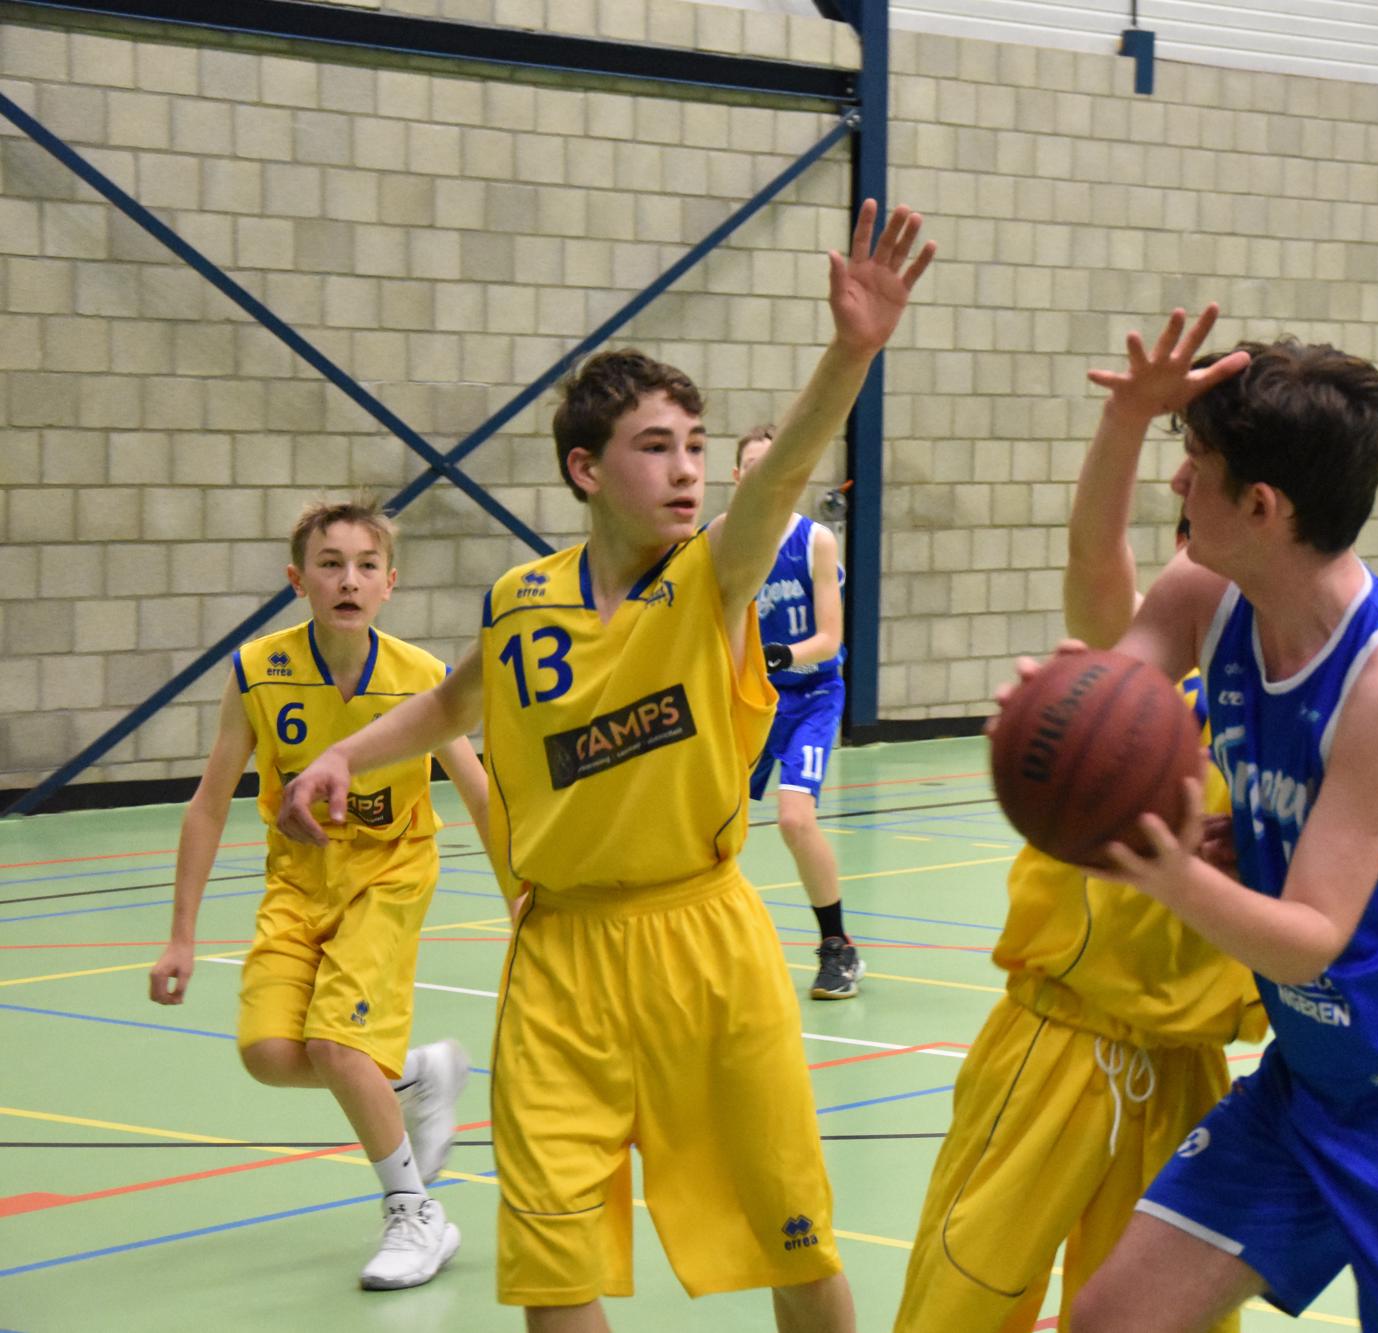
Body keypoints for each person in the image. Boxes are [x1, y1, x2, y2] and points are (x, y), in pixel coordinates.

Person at [275, 200, 934, 1333]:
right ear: (584, 467)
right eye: (656, 446)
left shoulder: (714, 577)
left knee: (793, 1237)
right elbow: (451, 704)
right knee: (553, 1263)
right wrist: (342, 750)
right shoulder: (520, 600)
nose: (687, 470)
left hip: (702, 945)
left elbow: (779, 483)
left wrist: (852, 351)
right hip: (560, 955)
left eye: (695, 446)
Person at [1035, 312, 1378, 1332]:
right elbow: (1107, 648)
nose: (1177, 483)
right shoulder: (1210, 595)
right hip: (1311, 1087)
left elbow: (1311, 935)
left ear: (1261, 504)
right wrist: (1124, 424)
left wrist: (1168, 869)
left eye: (1194, 466)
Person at [893, 307, 1264, 1333]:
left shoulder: (1299, 704)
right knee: (959, 1307)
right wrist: (1127, 421)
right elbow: (1097, 561)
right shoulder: (1135, 685)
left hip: (1188, 1064)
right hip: (1053, 1042)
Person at [147, 498, 489, 1291]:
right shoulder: (258, 671)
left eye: (367, 566)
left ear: (390, 583)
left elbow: (480, 793)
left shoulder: (421, 678)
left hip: (389, 875)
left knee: (337, 1045)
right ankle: (416, 1074)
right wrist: (181, 934)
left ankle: (416, 1212)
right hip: (298, 881)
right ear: (297, 579)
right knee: (268, 1053)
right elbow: (208, 803)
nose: (349, 580)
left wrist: (521, 892)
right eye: (330, 565)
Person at [714, 424, 862, 1000]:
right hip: (749, 700)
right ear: (737, 477)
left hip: (812, 694)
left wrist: (775, 655)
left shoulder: (814, 540)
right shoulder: (719, 540)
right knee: (708, 825)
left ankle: (837, 946)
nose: (760, 475)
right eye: (750, 466)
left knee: (796, 820)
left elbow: (829, 639)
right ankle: (706, 945)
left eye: (770, 464)